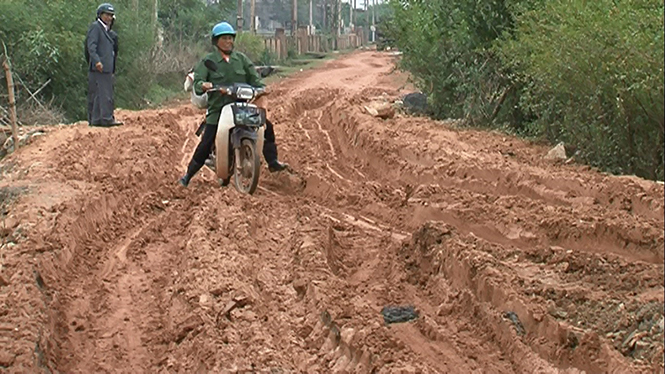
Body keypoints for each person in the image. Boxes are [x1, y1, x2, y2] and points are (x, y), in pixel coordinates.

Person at [179, 22, 288, 187]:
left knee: (266, 126)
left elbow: (254, 78)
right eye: (225, 38)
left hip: (241, 106)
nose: (229, 41)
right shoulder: (208, 61)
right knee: (207, 141)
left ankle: (272, 162)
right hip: (218, 109)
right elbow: (199, 81)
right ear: (216, 41)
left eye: (231, 38)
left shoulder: (241, 59)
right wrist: (203, 85)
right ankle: (187, 176)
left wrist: (261, 88)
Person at [85, 3, 123, 127]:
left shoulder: (109, 32)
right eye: (106, 15)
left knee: (101, 94)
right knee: (103, 94)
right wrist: (97, 61)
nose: (109, 18)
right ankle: (106, 119)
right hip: (99, 67)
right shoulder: (96, 27)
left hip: (106, 67)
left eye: (111, 15)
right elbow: (91, 47)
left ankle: (97, 120)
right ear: (100, 15)